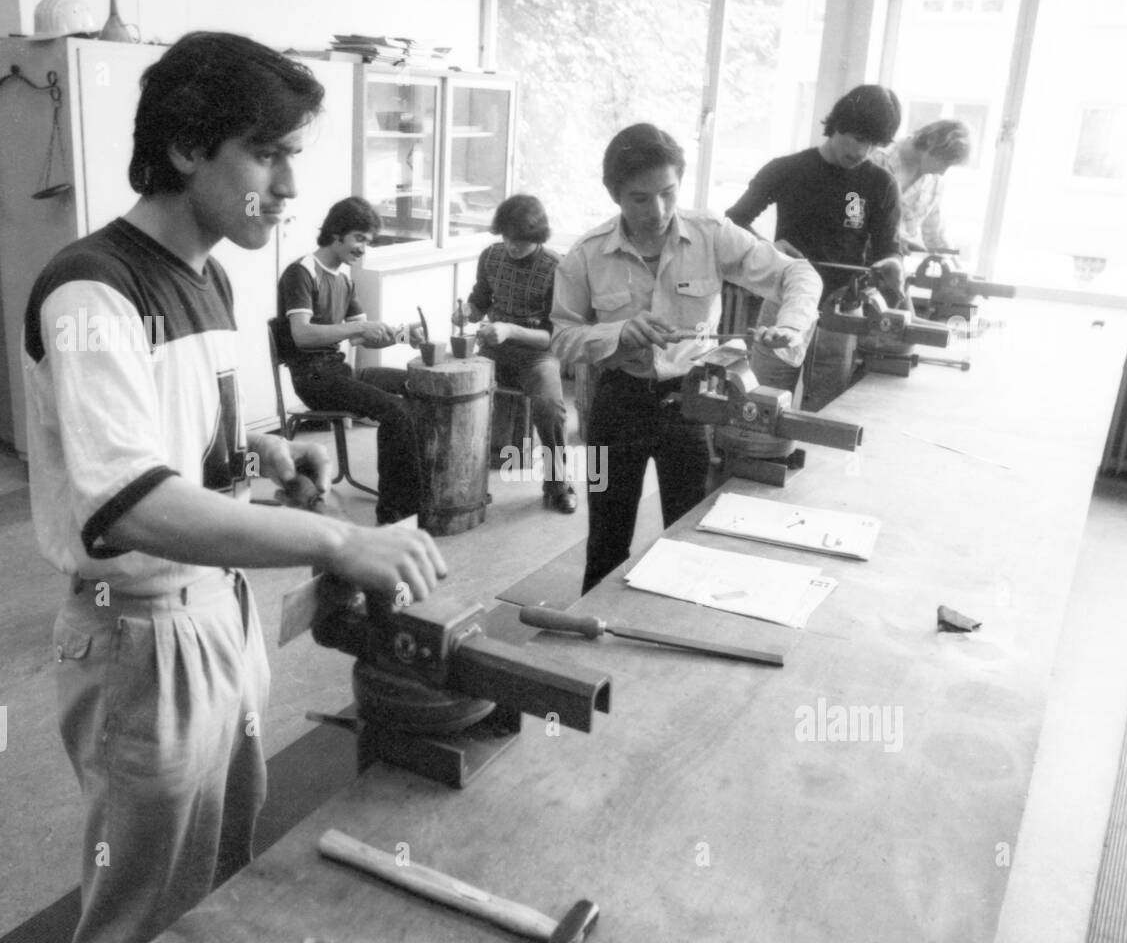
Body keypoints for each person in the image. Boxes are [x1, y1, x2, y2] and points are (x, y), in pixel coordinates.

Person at [22, 32, 446, 943]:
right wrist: (337, 541)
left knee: (223, 876)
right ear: (186, 148)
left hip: (222, 610)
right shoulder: (91, 290)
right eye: (268, 152)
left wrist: (264, 457)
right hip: (138, 634)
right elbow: (129, 501)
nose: (289, 186)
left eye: (291, 153)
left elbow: (183, 443)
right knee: (142, 910)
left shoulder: (209, 276)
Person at [552, 123, 821, 594]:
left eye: (668, 193)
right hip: (615, 406)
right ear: (614, 194)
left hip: (692, 404)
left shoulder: (711, 234)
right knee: (607, 541)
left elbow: (798, 274)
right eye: (639, 198)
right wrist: (616, 333)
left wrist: (791, 325)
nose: (657, 211)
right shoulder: (586, 255)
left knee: (688, 534)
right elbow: (563, 338)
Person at [277, 197, 424, 524]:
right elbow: (301, 335)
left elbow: (362, 335)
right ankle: (395, 512)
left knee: (419, 386)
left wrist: (404, 334)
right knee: (395, 411)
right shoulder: (301, 272)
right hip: (313, 379)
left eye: (368, 242)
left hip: (339, 373)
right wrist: (359, 326)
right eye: (359, 238)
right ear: (337, 233)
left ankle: (417, 494)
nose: (363, 249)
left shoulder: (344, 278)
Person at [726, 83, 905, 305]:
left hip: (846, 305)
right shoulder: (786, 169)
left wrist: (894, 263)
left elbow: (889, 250)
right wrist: (766, 247)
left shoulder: (882, 183)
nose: (863, 152)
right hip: (786, 297)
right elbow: (734, 221)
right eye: (859, 138)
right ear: (840, 124)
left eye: (874, 145)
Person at [452, 194, 576, 513]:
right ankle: (459, 479)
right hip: (494, 348)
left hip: (537, 354)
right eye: (506, 237)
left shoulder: (556, 267)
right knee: (456, 391)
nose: (511, 246)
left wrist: (510, 330)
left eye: (519, 241)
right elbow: (480, 299)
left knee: (549, 407)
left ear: (537, 237)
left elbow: (554, 335)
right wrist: (468, 311)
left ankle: (558, 481)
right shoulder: (490, 256)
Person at [872, 118, 971, 255]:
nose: (943, 172)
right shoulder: (877, 160)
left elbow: (935, 237)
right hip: (862, 263)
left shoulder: (935, 182)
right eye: (945, 163)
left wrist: (954, 265)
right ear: (931, 144)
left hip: (898, 267)